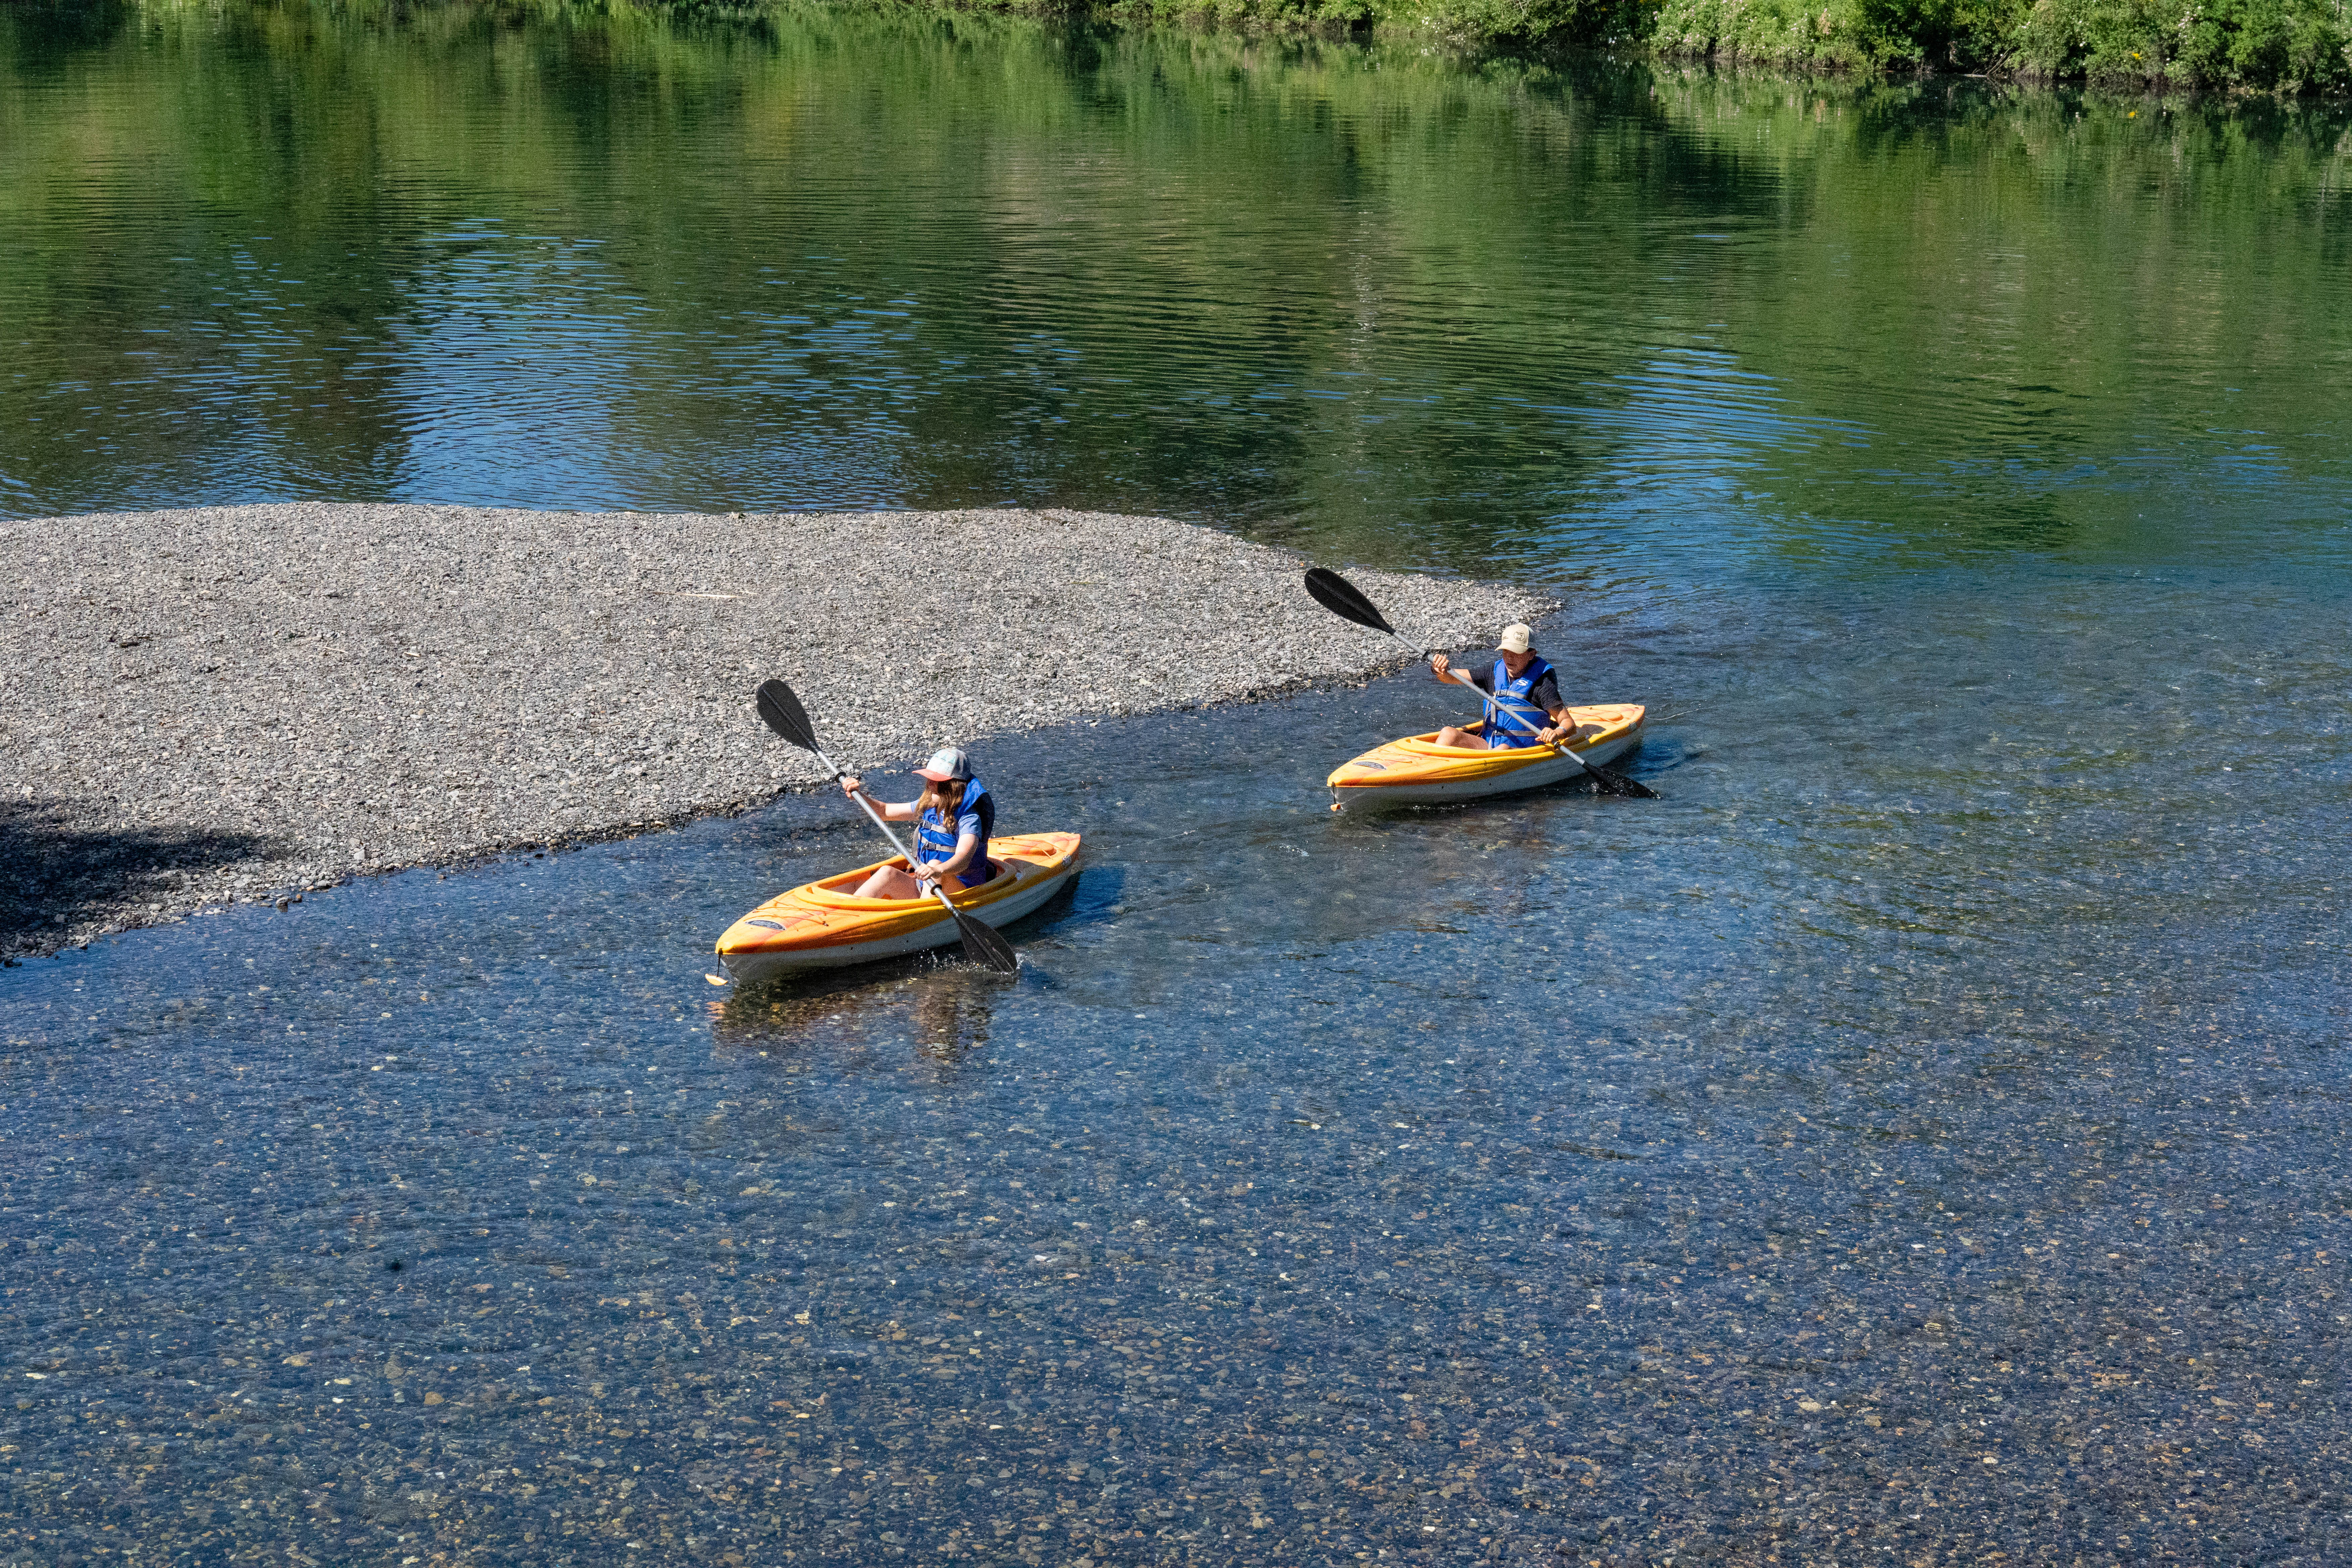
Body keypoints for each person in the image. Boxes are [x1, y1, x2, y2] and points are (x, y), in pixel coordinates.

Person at [838, 746, 998, 900]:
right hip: (927, 883)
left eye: (936, 781)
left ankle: (924, 915)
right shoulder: (930, 806)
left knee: (934, 864)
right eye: (929, 779)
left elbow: (964, 858)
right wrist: (859, 795)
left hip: (962, 889)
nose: (929, 784)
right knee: (887, 872)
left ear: (953, 786)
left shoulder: (970, 819)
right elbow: (884, 812)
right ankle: (851, 912)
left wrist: (938, 869)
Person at [1428, 623, 1587, 750]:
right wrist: (1439, 669)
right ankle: (1433, 771)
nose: (1510, 658)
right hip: (1490, 745)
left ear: (1531, 654)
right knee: (1448, 733)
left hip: (1523, 751)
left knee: (1503, 748)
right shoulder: (1494, 671)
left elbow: (1568, 723)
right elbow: (1451, 677)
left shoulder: (1542, 683)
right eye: (1506, 651)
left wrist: (1557, 733)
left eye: (1516, 653)